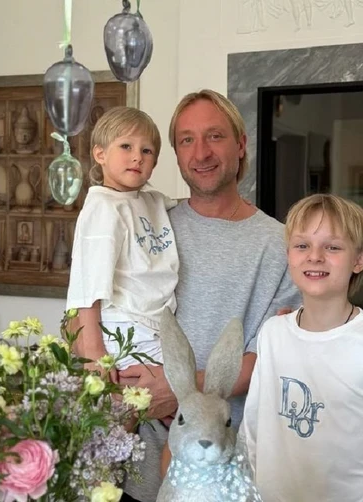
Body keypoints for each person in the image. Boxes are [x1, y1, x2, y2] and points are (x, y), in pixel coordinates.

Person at [118, 90, 300, 502]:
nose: (200, 153)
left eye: (214, 136)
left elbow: (270, 356)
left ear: (241, 144)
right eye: (187, 140)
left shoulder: (281, 245)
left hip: (227, 476)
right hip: (137, 463)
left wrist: (182, 392)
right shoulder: (149, 227)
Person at [240, 193, 363, 502]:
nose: (315, 256)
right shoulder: (272, 334)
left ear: (359, 259)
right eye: (302, 245)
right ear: (288, 255)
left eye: (332, 247)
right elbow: (252, 432)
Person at [67, 106, 178, 377]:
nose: (137, 157)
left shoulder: (151, 201)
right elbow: (88, 286)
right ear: (100, 154)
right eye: (126, 146)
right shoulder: (103, 208)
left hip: (155, 327)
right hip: (124, 328)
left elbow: (192, 206)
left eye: (147, 151)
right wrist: (94, 352)